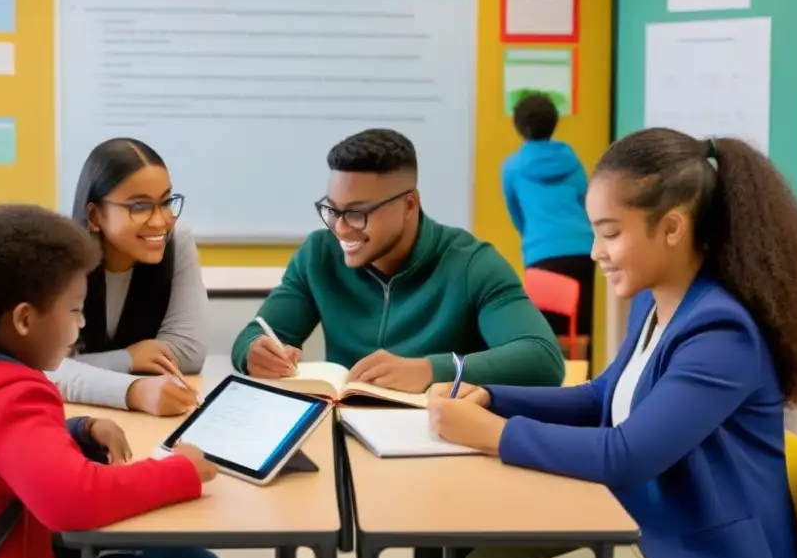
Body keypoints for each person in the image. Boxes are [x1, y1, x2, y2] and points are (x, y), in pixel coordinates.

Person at [427, 128, 797, 558]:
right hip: (646, 521)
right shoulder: (654, 300)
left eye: (611, 234)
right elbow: (601, 396)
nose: (596, 252)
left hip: (703, 553)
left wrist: (491, 433)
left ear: (672, 227)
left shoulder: (722, 333)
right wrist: (491, 397)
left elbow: (625, 457)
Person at [0, 204, 222, 558]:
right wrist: (179, 470)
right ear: (25, 319)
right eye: (74, 310)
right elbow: (73, 502)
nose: (82, 322)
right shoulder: (13, 401)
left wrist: (77, 430)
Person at [231, 128, 565, 390]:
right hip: (340, 432)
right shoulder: (318, 255)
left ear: (409, 205)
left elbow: (543, 360)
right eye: (333, 209)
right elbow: (252, 337)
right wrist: (254, 352)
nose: (342, 228)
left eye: (358, 213)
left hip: (440, 443)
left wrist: (429, 370)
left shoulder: (472, 264)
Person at [0, 137, 207, 416]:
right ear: (95, 215)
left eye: (166, 202)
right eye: (139, 206)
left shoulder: (176, 243)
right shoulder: (55, 258)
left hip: (115, 419)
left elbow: (187, 353)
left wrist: (80, 364)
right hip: (48, 414)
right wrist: (127, 362)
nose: (161, 221)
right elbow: (32, 368)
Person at [503, 93, 595, 362]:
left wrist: (534, 238)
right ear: (554, 122)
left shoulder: (513, 167)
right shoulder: (570, 158)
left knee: (545, 337)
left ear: (518, 125)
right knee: (580, 333)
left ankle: (550, 392)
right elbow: (586, 199)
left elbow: (516, 213)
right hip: (582, 250)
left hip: (541, 253)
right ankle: (586, 388)